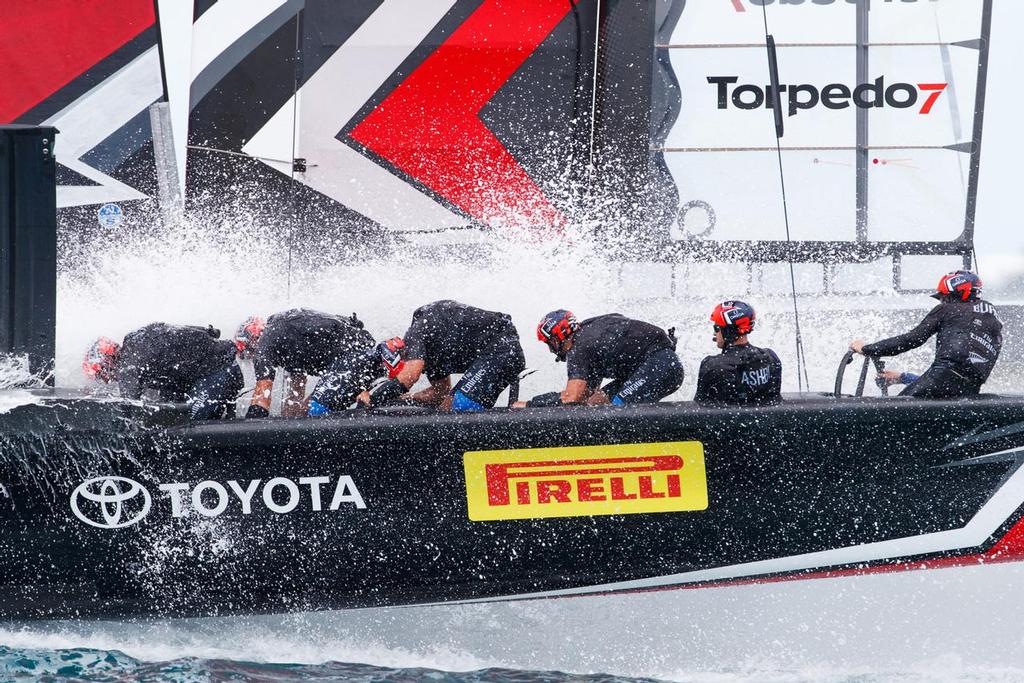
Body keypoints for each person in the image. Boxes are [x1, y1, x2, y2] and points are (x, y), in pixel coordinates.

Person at [850, 270, 1002, 399]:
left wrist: (867, 349)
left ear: (958, 293)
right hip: (969, 391)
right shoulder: (992, 320)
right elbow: (950, 384)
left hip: (940, 380)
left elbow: (911, 340)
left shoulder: (948, 310)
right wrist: (903, 377)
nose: (942, 302)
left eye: (944, 297)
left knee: (891, 413)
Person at [362, 300, 525, 412]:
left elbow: (409, 377)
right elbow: (439, 394)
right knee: (446, 408)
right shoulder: (431, 352)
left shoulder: (415, 335)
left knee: (458, 407)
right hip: (500, 352)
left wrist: (373, 399)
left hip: (501, 348)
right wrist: (405, 398)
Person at [517, 310, 683, 407]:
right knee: (595, 402)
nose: (551, 350)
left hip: (659, 366)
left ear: (556, 339)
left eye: (549, 344)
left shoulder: (580, 347)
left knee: (616, 409)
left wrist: (530, 405)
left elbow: (571, 397)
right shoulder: (589, 333)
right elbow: (585, 396)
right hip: (658, 364)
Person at [83, 322, 241, 420]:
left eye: (102, 374)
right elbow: (182, 331)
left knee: (188, 422)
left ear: (107, 361)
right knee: (170, 409)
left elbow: (128, 408)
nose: (106, 380)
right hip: (218, 365)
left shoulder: (129, 365)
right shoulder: (136, 338)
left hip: (219, 370)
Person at [236, 309, 374, 418]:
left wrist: (247, 434)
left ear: (252, 340)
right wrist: (287, 426)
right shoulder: (287, 342)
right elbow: (295, 399)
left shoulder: (265, 342)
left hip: (353, 354)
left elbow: (262, 398)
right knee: (308, 408)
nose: (252, 358)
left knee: (316, 409)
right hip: (360, 351)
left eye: (248, 353)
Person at [693, 300, 782, 405]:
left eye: (716, 327)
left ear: (728, 329)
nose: (714, 332)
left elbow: (699, 408)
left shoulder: (712, 366)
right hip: (767, 420)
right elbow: (774, 400)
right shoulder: (771, 358)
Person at [307, 337, 406, 416]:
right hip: (324, 413)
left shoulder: (361, 355)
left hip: (315, 402)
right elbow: (364, 397)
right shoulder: (369, 369)